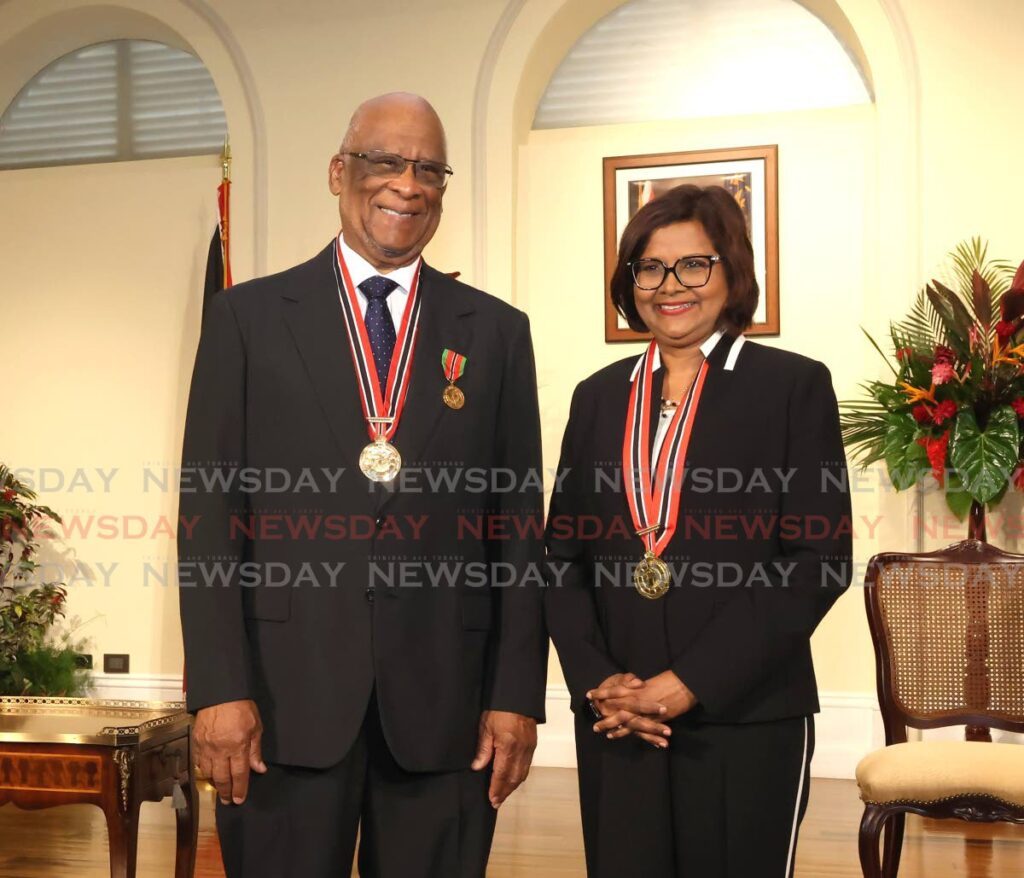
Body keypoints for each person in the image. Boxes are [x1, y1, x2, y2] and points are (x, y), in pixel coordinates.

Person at [178, 92, 547, 878]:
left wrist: (517, 696)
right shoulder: (247, 319)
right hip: (278, 706)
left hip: (449, 711)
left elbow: (518, 528)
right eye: (386, 161)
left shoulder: (498, 333)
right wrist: (218, 689)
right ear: (340, 172)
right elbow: (209, 518)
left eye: (428, 169)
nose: (407, 185)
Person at [545, 184, 852, 877]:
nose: (669, 286)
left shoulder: (791, 387)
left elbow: (816, 561)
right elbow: (560, 558)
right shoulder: (597, 396)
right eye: (649, 268)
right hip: (618, 720)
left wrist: (687, 683)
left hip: (744, 719)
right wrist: (599, 681)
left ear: (732, 271)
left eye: (693, 265)